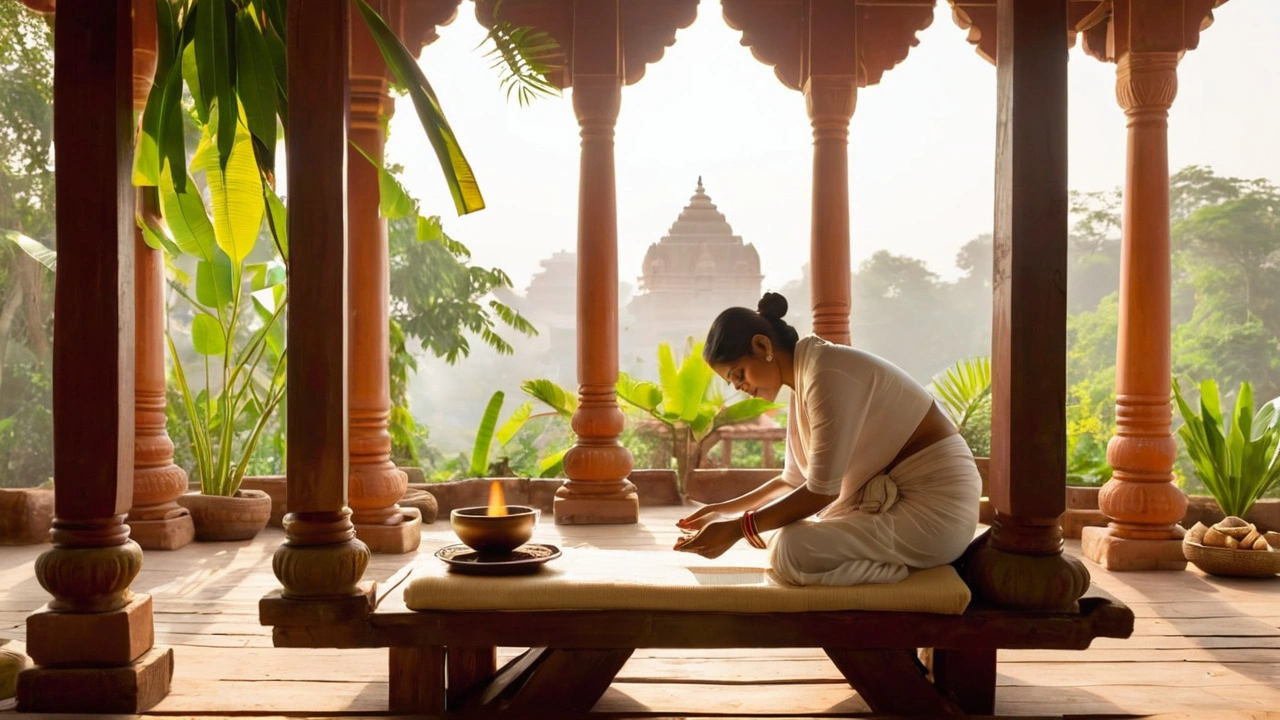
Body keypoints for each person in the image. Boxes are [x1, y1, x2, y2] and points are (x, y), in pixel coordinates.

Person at [674, 292, 981, 586]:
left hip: (934, 511)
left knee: (790, 550)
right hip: (893, 507)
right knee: (785, 537)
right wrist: (723, 512)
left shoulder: (827, 371)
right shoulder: (804, 378)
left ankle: (902, 574)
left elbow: (821, 493)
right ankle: (888, 564)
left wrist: (737, 529)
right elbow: (792, 481)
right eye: (733, 381)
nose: (739, 387)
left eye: (738, 374)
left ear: (762, 345)